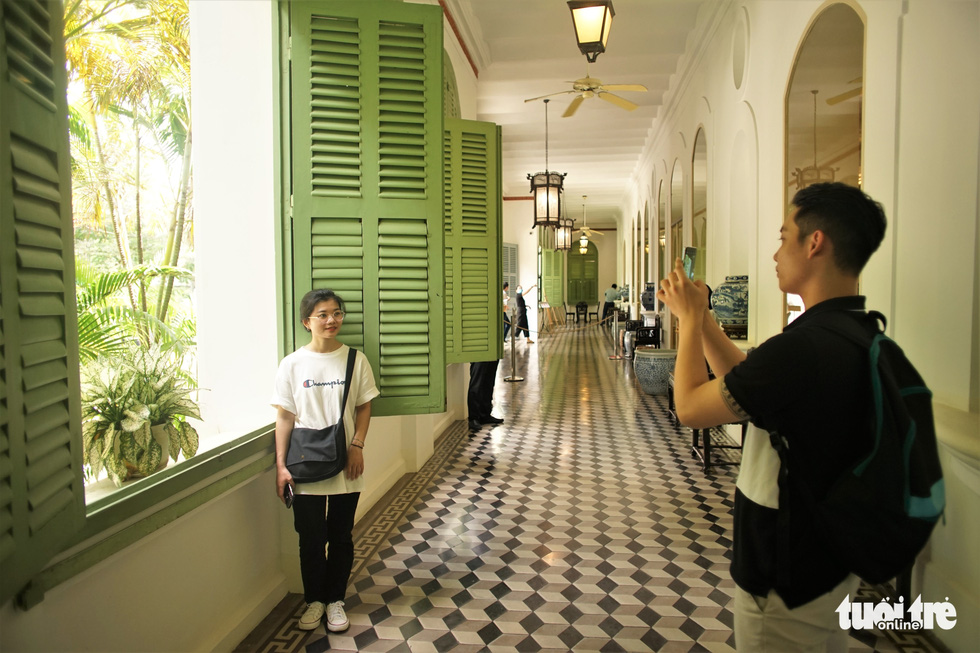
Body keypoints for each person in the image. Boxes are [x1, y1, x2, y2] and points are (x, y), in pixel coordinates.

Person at [657, 182, 887, 652]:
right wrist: (705, 320)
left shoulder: (803, 348)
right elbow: (750, 385)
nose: (776, 253)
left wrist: (686, 321)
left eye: (784, 238)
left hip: (785, 565)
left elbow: (688, 407)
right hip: (826, 551)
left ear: (815, 242)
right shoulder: (854, 330)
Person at [272, 289, 380, 633]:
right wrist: (281, 466)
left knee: (341, 535)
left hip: (346, 460)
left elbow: (364, 406)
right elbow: (285, 417)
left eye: (336, 313)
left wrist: (358, 445)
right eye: (322, 314)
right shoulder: (291, 364)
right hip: (303, 463)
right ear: (307, 322)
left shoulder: (354, 360)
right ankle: (314, 600)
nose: (331, 320)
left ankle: (335, 600)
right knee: (311, 537)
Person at [467, 358, 503, 432]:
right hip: (478, 351)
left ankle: (485, 415)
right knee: (476, 383)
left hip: (492, 350)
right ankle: (473, 418)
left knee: (489, 382)